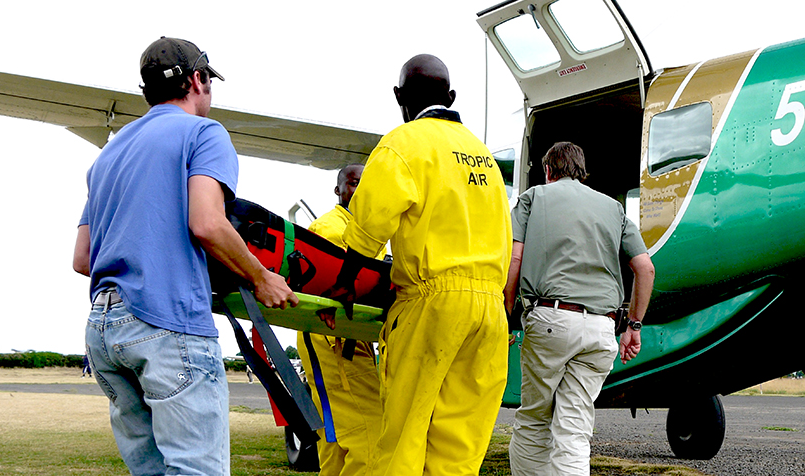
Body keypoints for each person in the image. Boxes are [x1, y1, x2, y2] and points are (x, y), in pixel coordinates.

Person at [72, 36, 297, 476]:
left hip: (103, 331)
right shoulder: (203, 133)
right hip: (166, 322)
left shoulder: (108, 155)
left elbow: (83, 259)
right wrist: (262, 277)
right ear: (198, 79)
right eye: (209, 80)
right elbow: (208, 223)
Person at [342, 54, 512, 476]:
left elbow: (365, 233)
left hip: (431, 304)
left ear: (399, 97)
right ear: (451, 96)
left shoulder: (404, 143)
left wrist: (344, 290)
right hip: (490, 313)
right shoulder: (484, 156)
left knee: (402, 440)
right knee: (458, 453)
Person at [504, 142, 655, 475]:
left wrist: (506, 313)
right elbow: (645, 268)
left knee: (534, 419)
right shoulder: (613, 208)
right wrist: (634, 325)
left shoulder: (533, 198)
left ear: (548, 171)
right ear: (581, 172)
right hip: (601, 330)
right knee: (573, 429)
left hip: (551, 320)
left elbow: (515, 257)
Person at [296, 164, 384, 476]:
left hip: (344, 334)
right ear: (338, 190)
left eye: (367, 184)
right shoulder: (334, 229)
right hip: (332, 336)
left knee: (335, 441)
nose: (360, 190)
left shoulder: (365, 232)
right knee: (368, 432)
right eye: (353, 183)